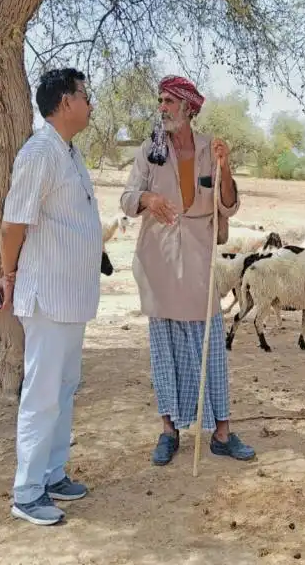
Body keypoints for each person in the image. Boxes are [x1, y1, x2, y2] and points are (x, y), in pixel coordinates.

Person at [120, 75, 255, 467]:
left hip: (199, 263)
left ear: (189, 108)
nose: (162, 108)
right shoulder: (149, 150)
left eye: (169, 102)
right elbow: (127, 199)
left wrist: (224, 167)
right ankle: (169, 431)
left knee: (210, 347)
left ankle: (222, 432)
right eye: (160, 101)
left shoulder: (209, 148)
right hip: (158, 262)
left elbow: (228, 205)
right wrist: (147, 197)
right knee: (164, 350)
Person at [0, 68, 104, 526]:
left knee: (64, 388)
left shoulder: (69, 152)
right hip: (48, 296)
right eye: (84, 95)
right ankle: (27, 491)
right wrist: (9, 274)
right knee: (41, 394)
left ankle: (53, 473)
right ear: (64, 103)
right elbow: (13, 223)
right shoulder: (40, 151)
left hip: (72, 297)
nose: (90, 103)